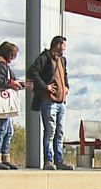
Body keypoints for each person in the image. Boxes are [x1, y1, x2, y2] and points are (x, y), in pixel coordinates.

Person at [29, 35, 73, 170]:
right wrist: (45, 86)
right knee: (50, 131)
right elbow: (32, 71)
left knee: (60, 131)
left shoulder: (62, 60)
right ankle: (48, 160)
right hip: (49, 100)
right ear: (58, 45)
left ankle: (59, 160)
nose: (65, 48)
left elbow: (64, 75)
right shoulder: (44, 57)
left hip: (61, 101)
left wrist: (66, 87)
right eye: (63, 45)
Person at [0, 40, 24, 170]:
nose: (14, 57)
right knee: (2, 129)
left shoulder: (0, 65)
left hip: (2, 101)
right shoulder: (0, 65)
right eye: (13, 54)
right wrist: (13, 84)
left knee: (8, 131)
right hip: (2, 102)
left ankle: (4, 156)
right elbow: (0, 81)